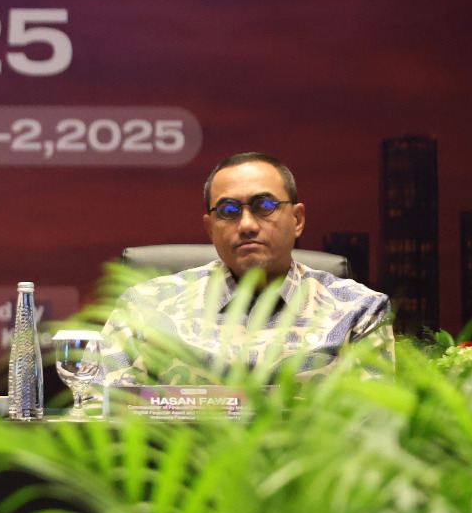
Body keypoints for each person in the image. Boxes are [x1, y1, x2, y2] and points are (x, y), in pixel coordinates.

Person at [94, 151, 393, 387]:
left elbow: (375, 423)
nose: (247, 225)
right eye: (229, 211)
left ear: (297, 220)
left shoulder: (359, 310)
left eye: (265, 206)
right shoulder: (146, 307)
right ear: (210, 228)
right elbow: (99, 412)